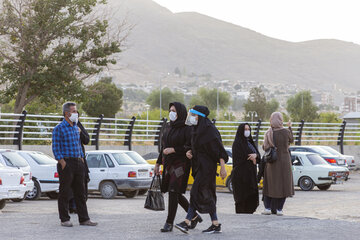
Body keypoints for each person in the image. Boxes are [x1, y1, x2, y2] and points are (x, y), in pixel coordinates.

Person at [175, 105, 228, 234]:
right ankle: (215, 224)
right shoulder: (196, 130)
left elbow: (220, 150)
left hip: (208, 168)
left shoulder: (210, 130)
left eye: (194, 115)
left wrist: (222, 168)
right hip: (199, 167)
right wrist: (190, 152)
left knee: (195, 192)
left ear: (200, 116)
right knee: (206, 194)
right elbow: (196, 148)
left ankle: (187, 222)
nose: (192, 117)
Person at [155, 102, 202, 232]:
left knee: (174, 190)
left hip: (181, 164)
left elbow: (189, 146)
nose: (171, 113)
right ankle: (194, 215)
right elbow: (163, 147)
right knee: (173, 191)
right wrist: (158, 163)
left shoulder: (187, 128)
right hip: (168, 164)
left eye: (174, 110)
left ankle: (169, 223)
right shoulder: (168, 127)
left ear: (180, 112)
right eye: (170, 110)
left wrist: (174, 150)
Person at [52, 102, 97, 227]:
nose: (76, 113)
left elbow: (80, 144)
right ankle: (64, 219)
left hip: (79, 162)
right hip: (67, 163)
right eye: (74, 111)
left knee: (80, 193)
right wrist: (63, 162)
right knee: (65, 192)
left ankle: (84, 219)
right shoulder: (59, 128)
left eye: (76, 111)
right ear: (67, 113)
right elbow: (56, 148)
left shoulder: (76, 127)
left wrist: (81, 159)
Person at [262, 112, 294, 216]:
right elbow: (291, 140)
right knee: (284, 185)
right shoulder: (285, 132)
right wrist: (289, 127)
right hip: (284, 162)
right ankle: (279, 209)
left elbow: (264, 147)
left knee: (270, 185)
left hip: (272, 162)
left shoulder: (268, 132)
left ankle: (267, 208)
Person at [232, 123, 260, 214]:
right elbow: (242, 157)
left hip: (251, 175)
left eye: (248, 129)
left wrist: (255, 156)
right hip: (240, 175)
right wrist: (252, 159)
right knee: (241, 199)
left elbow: (258, 156)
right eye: (245, 129)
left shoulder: (250, 142)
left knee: (251, 198)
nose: (247, 131)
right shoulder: (237, 143)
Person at [69, 118, 90, 214]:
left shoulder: (79, 125)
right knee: (69, 186)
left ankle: (80, 208)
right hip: (68, 161)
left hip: (80, 161)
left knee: (81, 184)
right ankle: (71, 206)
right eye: (73, 112)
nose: (75, 115)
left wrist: (80, 132)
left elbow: (86, 140)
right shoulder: (62, 127)